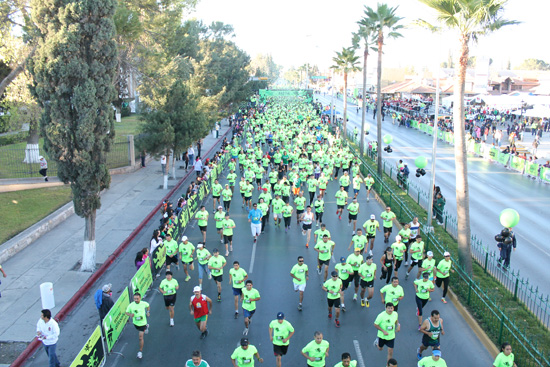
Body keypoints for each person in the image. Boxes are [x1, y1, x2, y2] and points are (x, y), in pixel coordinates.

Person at [125, 292, 150, 359]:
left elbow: (148, 306)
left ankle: (140, 352)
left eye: (137, 298)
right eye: (135, 298)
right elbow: (126, 312)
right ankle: (147, 327)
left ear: (140, 298)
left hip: (143, 323)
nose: (136, 300)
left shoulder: (143, 303)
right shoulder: (131, 305)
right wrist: (130, 315)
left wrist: (148, 312)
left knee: (140, 337)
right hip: (136, 323)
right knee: (139, 331)